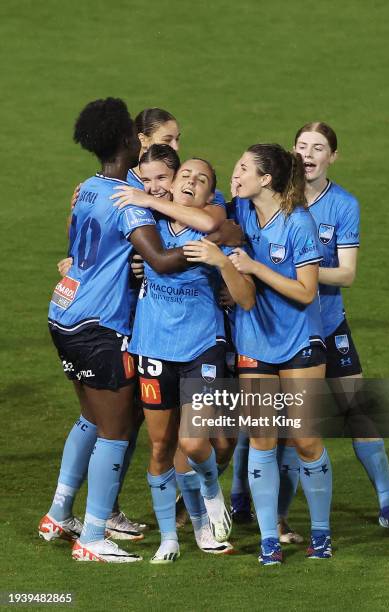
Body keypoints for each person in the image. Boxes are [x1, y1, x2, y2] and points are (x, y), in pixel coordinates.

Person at [39, 97, 193, 563]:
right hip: (99, 323)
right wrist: (209, 248)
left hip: (65, 311)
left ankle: (60, 513)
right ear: (130, 140)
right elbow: (163, 260)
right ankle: (93, 536)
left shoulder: (88, 186)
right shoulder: (129, 200)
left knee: (92, 417)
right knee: (116, 428)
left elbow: (79, 241)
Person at [122, 157, 255, 563]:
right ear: (174, 184)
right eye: (186, 175)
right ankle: (175, 536)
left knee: (194, 441)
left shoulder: (218, 230)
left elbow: (246, 290)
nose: (191, 181)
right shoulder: (148, 222)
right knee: (161, 446)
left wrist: (229, 280)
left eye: (201, 180)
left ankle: (212, 489)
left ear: (209, 194)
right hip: (154, 346)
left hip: (202, 345)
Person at [289, 122, 389, 535]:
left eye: (318, 148)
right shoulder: (273, 198)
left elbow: (346, 274)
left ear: (332, 157)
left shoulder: (343, 204)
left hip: (327, 324)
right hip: (283, 331)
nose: (308, 154)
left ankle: (388, 502)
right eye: (303, 146)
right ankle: (245, 502)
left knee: (357, 412)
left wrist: (299, 271)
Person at [228, 144, 333, 565]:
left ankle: (321, 533)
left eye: (241, 168)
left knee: (306, 439)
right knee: (262, 439)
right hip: (254, 343)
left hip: (300, 344)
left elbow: (307, 292)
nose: (233, 175)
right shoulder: (237, 211)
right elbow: (189, 203)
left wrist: (255, 268)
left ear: (265, 179)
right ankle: (269, 537)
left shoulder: (298, 224)